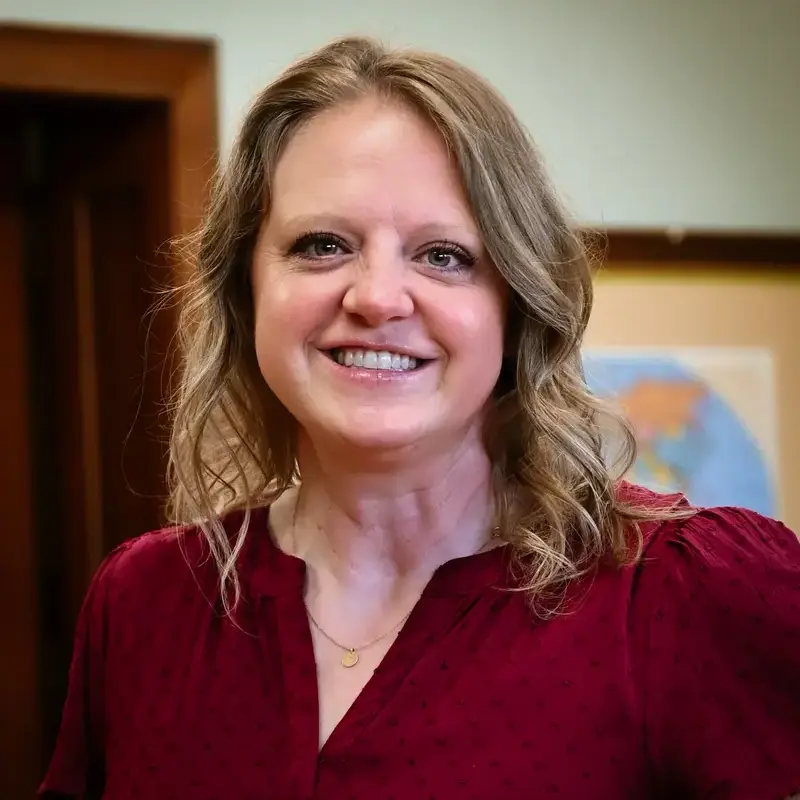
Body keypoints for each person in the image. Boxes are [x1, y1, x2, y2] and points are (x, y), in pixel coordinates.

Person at [40, 36, 800, 799]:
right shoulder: (145, 606)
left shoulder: (685, 599)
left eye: (444, 256)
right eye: (322, 245)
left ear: (518, 303)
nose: (376, 296)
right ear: (245, 290)